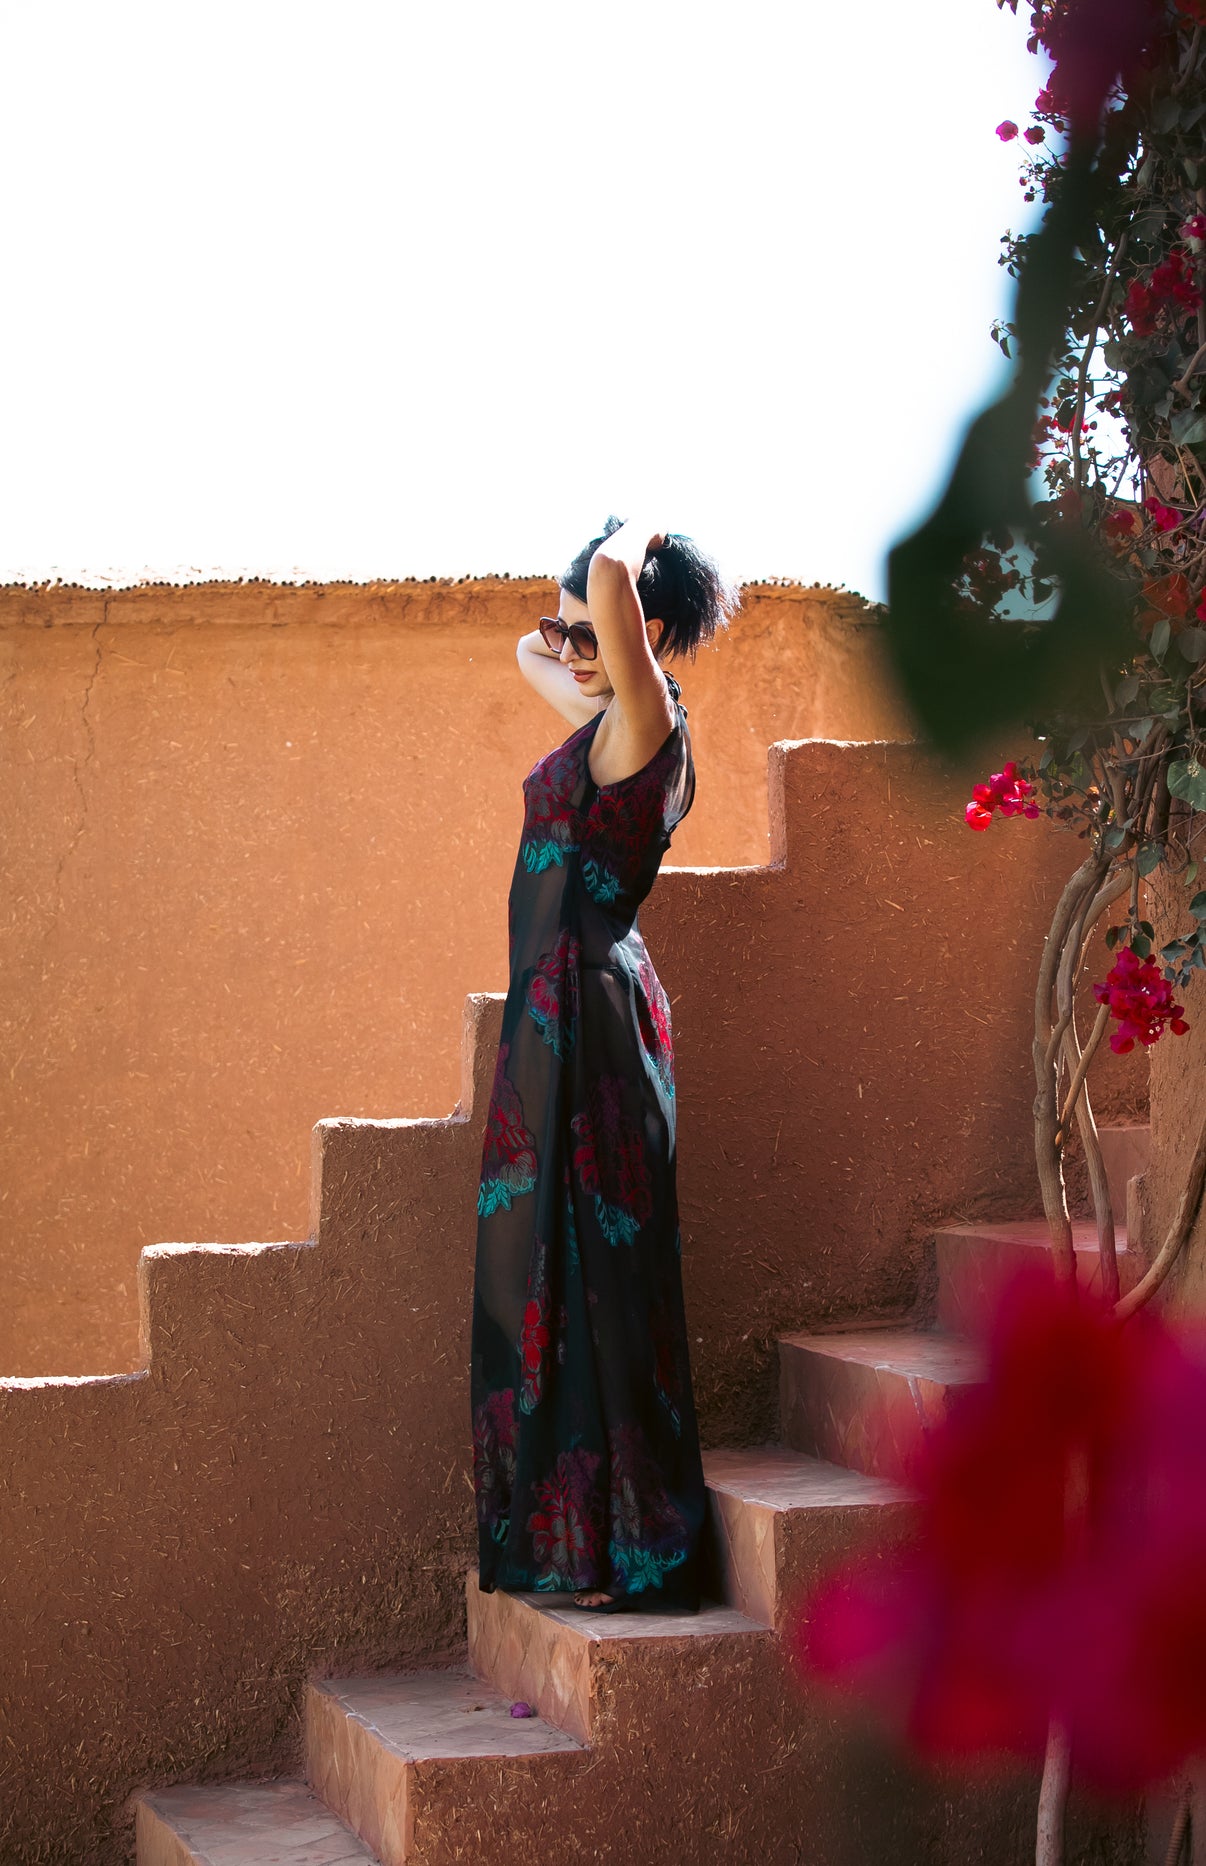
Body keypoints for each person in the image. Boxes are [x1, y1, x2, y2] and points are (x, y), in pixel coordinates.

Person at [470, 514, 739, 1613]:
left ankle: (637, 1549)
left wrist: (636, 537)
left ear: (644, 634)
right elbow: (526, 651)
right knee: (537, 1275)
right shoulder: (602, 715)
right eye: (566, 631)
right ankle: (575, 1542)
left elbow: (618, 578)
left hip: (595, 1018)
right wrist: (568, 629)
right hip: (550, 1021)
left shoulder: (644, 722)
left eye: (593, 635)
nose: (568, 651)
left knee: (603, 1286)